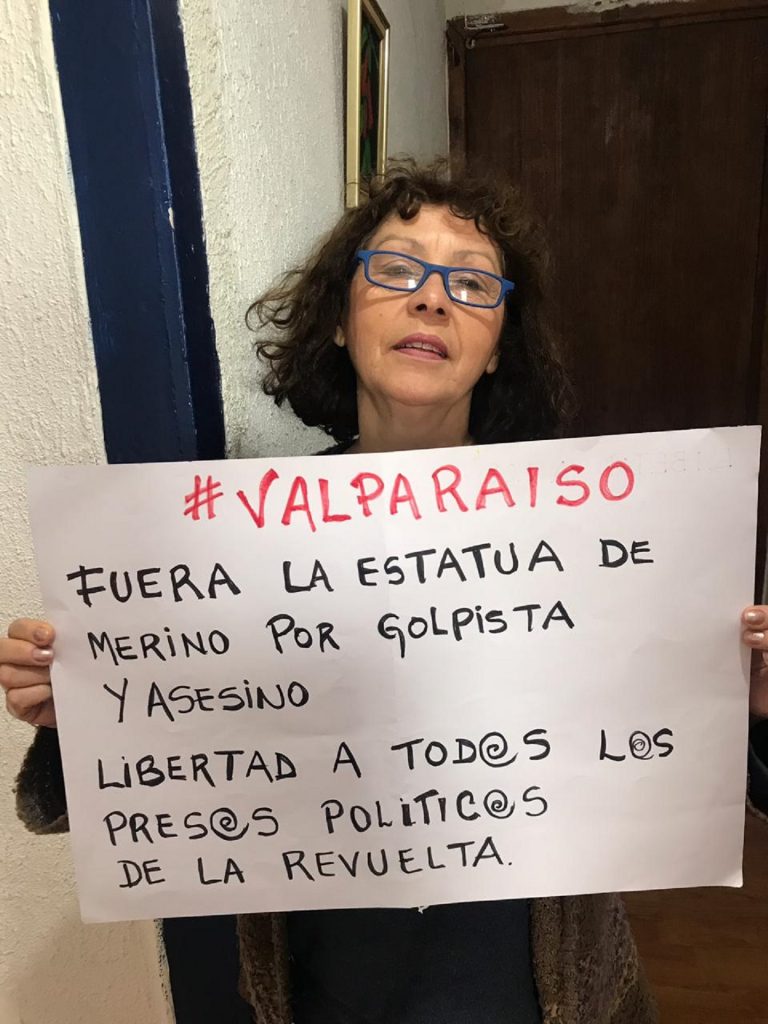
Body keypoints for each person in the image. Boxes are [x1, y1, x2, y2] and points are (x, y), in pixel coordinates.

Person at [3, 161, 767, 1024]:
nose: (432, 299)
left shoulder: (593, 538)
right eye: (397, 270)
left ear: (499, 346)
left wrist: (753, 706)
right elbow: (155, 779)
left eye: (471, 283)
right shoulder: (237, 550)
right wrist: (81, 714)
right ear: (339, 319)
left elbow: (682, 768)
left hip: (542, 999)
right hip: (327, 995)